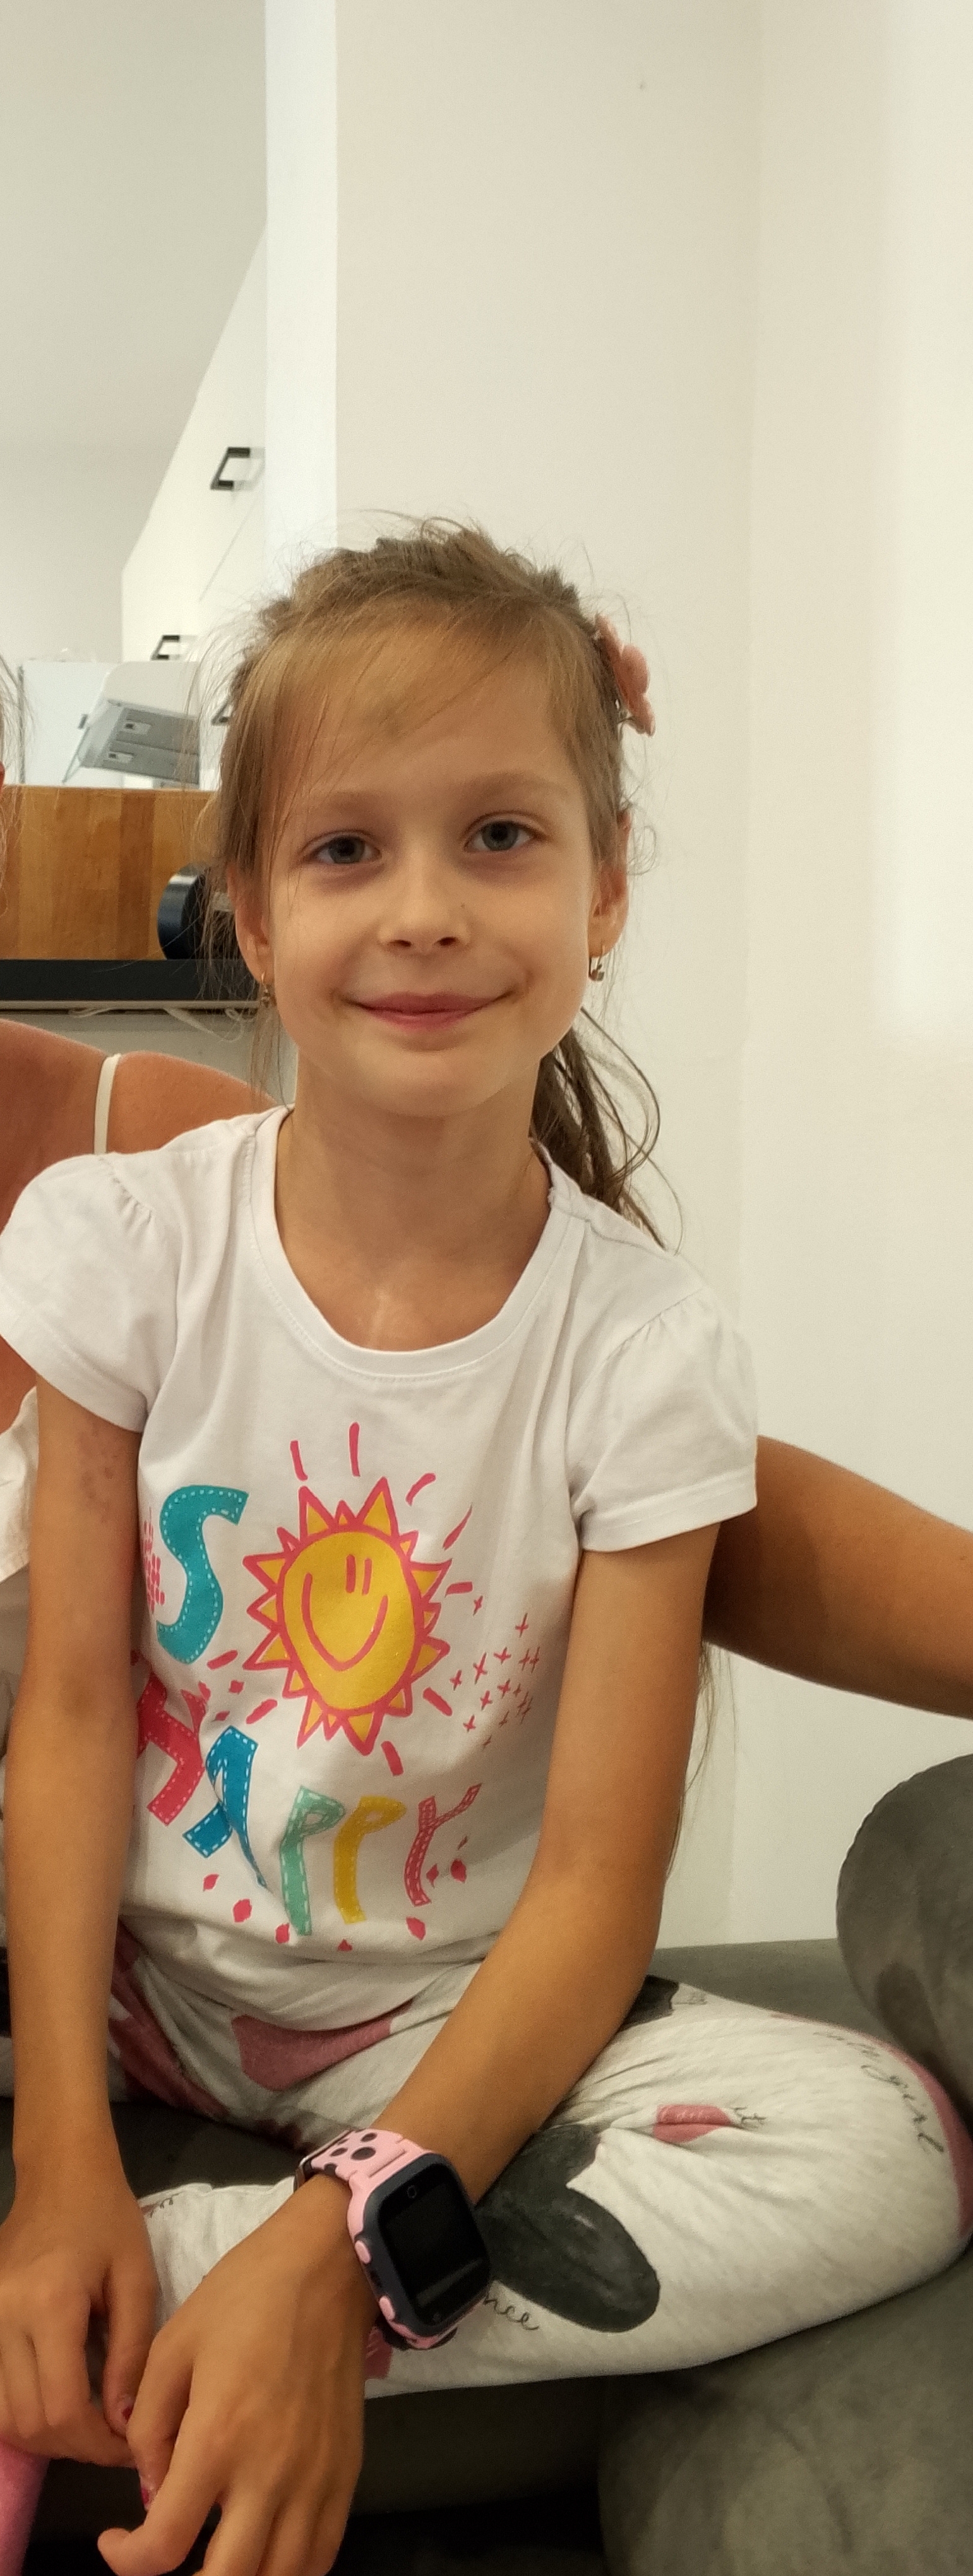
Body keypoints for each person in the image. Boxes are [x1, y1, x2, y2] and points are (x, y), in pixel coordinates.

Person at [0, 531, 970, 2576]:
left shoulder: (646, 1355)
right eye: (347, 849)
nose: (426, 909)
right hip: (119, 1991)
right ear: (251, 908)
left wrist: (334, 2249)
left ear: (605, 892)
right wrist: (63, 2163)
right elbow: (72, 1715)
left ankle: (211, 2295)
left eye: (503, 836)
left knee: (887, 2155)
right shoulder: (124, 1245)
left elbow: (599, 1893)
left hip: (417, 2030)